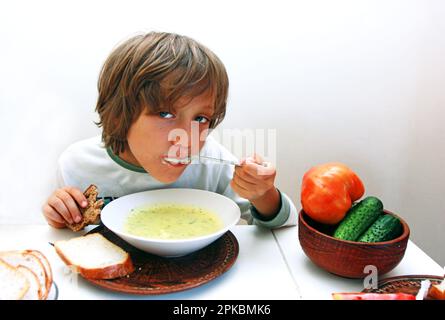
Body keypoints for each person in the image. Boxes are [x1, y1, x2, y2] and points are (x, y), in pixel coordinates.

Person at [42, 31, 297, 229]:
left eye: (201, 118)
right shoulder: (77, 164)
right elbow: (68, 233)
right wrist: (61, 216)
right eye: (165, 114)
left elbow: (284, 226)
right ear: (122, 112)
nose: (186, 139)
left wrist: (263, 194)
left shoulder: (214, 164)